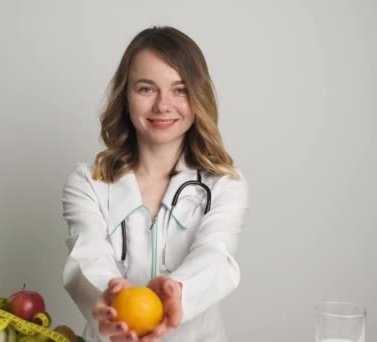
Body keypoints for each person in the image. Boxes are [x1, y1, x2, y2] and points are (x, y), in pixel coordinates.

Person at [61, 26, 249, 342]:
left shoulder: (225, 184)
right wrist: (110, 298)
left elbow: (215, 255)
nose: (163, 106)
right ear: (125, 95)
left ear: (198, 97)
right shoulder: (88, 182)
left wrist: (177, 292)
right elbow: (87, 257)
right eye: (147, 89)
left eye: (180, 90)